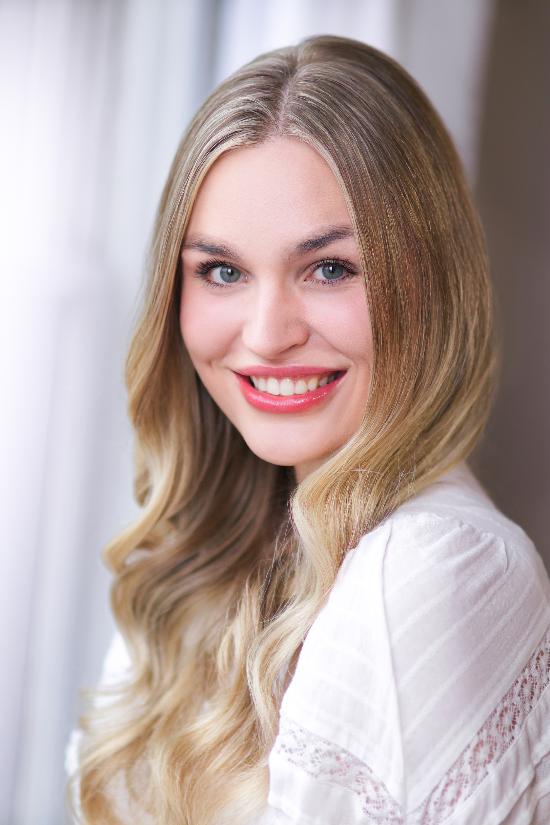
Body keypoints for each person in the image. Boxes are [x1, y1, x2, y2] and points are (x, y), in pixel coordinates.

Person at [65, 34, 550, 825]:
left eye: (329, 268)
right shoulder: (213, 557)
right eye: (222, 271)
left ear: (431, 283)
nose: (266, 335)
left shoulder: (437, 567)